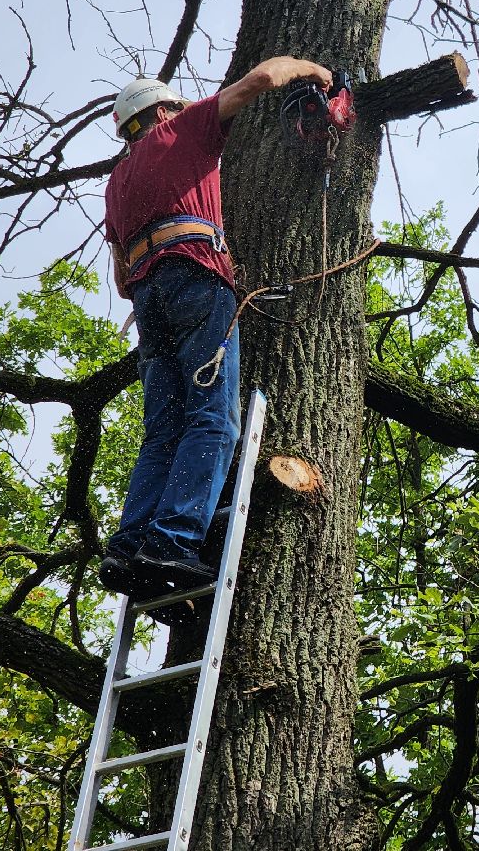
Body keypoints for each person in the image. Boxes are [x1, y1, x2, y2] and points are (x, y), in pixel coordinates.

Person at [99, 57, 332, 593]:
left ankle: (129, 545)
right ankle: (171, 540)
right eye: (175, 106)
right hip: (193, 280)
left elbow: (118, 278)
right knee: (212, 420)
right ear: (161, 110)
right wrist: (311, 70)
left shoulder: (116, 182)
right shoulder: (179, 130)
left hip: (147, 300)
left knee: (163, 429)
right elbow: (258, 81)